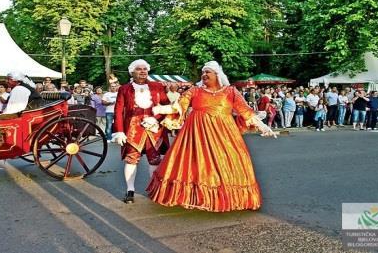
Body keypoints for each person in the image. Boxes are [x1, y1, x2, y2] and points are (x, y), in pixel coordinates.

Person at [146, 61, 275, 212]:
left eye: (208, 72)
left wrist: (263, 126)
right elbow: (178, 106)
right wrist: (157, 109)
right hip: (196, 135)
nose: (204, 74)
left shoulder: (230, 91)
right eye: (203, 72)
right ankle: (195, 197)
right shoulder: (195, 90)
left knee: (230, 160)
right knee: (195, 164)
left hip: (225, 135)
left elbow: (245, 111)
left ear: (217, 75)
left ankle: (231, 198)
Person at [112, 59, 171, 204]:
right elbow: (118, 111)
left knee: (155, 160)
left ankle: (153, 189)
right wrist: (119, 131)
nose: (143, 71)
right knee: (131, 159)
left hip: (154, 129)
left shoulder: (158, 86)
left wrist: (156, 119)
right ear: (132, 71)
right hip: (133, 130)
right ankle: (130, 190)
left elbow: (167, 107)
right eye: (139, 69)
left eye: (145, 68)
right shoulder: (124, 89)